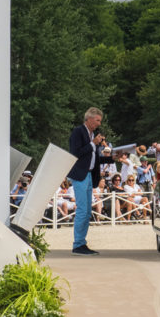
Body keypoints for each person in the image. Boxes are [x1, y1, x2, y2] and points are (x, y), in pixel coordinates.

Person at [67, 107, 114, 255]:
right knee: (82, 210)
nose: (99, 124)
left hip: (88, 175)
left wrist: (113, 158)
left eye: (100, 121)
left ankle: (81, 243)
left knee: (87, 211)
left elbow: (95, 158)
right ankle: (78, 244)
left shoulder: (92, 135)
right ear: (89, 118)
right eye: (97, 120)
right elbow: (75, 153)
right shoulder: (78, 132)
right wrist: (93, 143)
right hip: (80, 174)